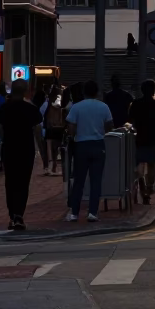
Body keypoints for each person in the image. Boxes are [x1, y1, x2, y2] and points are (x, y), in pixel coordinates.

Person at [0, 81, 43, 230]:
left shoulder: (4, 108)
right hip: (26, 148)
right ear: (25, 92)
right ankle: (19, 215)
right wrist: (42, 151)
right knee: (23, 182)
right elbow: (37, 131)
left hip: (9, 148)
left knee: (10, 182)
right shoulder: (31, 109)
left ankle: (12, 215)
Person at [64, 80, 113, 222]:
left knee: (79, 180)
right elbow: (110, 126)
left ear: (84, 92)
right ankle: (93, 212)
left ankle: (74, 213)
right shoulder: (104, 107)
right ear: (97, 92)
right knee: (96, 180)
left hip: (81, 146)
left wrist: (71, 137)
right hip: (98, 145)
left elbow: (71, 129)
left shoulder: (76, 107)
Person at [127, 80, 155, 204]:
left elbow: (130, 121)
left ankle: (142, 184)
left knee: (140, 163)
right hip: (154, 137)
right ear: (154, 90)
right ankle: (149, 188)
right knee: (152, 165)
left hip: (139, 137)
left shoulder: (135, 104)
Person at [40, 85, 64, 175]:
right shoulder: (57, 104)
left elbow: (41, 114)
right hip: (55, 129)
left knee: (50, 148)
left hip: (51, 129)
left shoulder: (47, 104)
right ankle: (51, 166)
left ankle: (51, 167)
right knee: (53, 148)